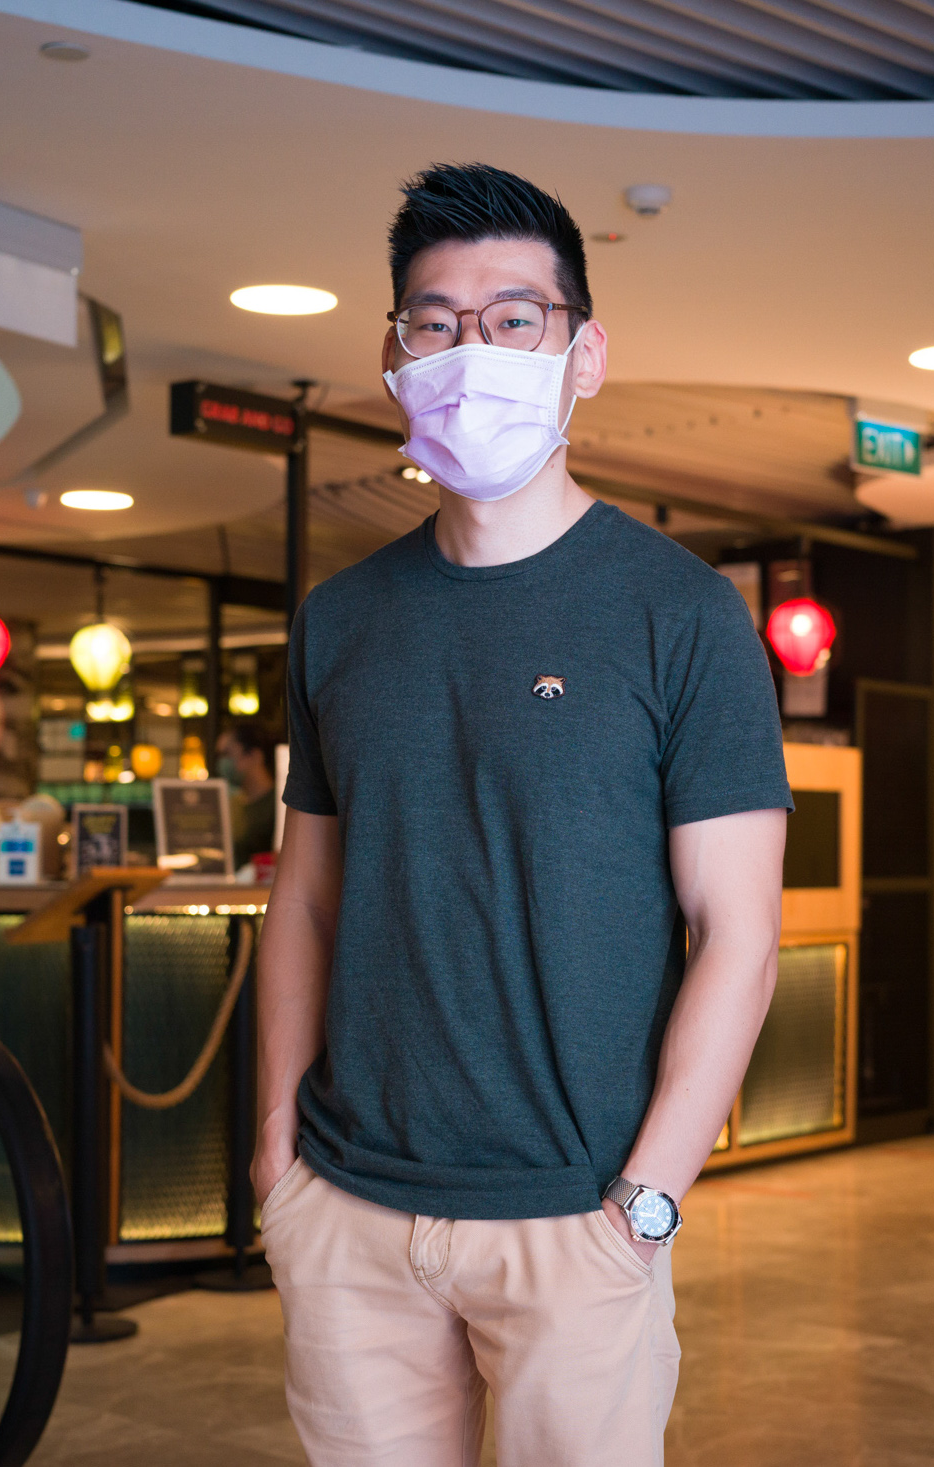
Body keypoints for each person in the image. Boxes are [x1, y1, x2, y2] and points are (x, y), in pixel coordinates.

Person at [254, 162, 790, 1466]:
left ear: (583, 353)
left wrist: (647, 1201)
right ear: (393, 354)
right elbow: (306, 894)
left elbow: (739, 930)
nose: (469, 348)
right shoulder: (342, 617)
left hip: (577, 1221)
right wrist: (278, 1158)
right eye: (434, 322)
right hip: (351, 1207)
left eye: (513, 319)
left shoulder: (682, 614)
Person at [216, 717, 279, 863]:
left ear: (254, 756)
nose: (222, 763)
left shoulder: (279, 804)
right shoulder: (231, 803)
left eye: (227, 754)